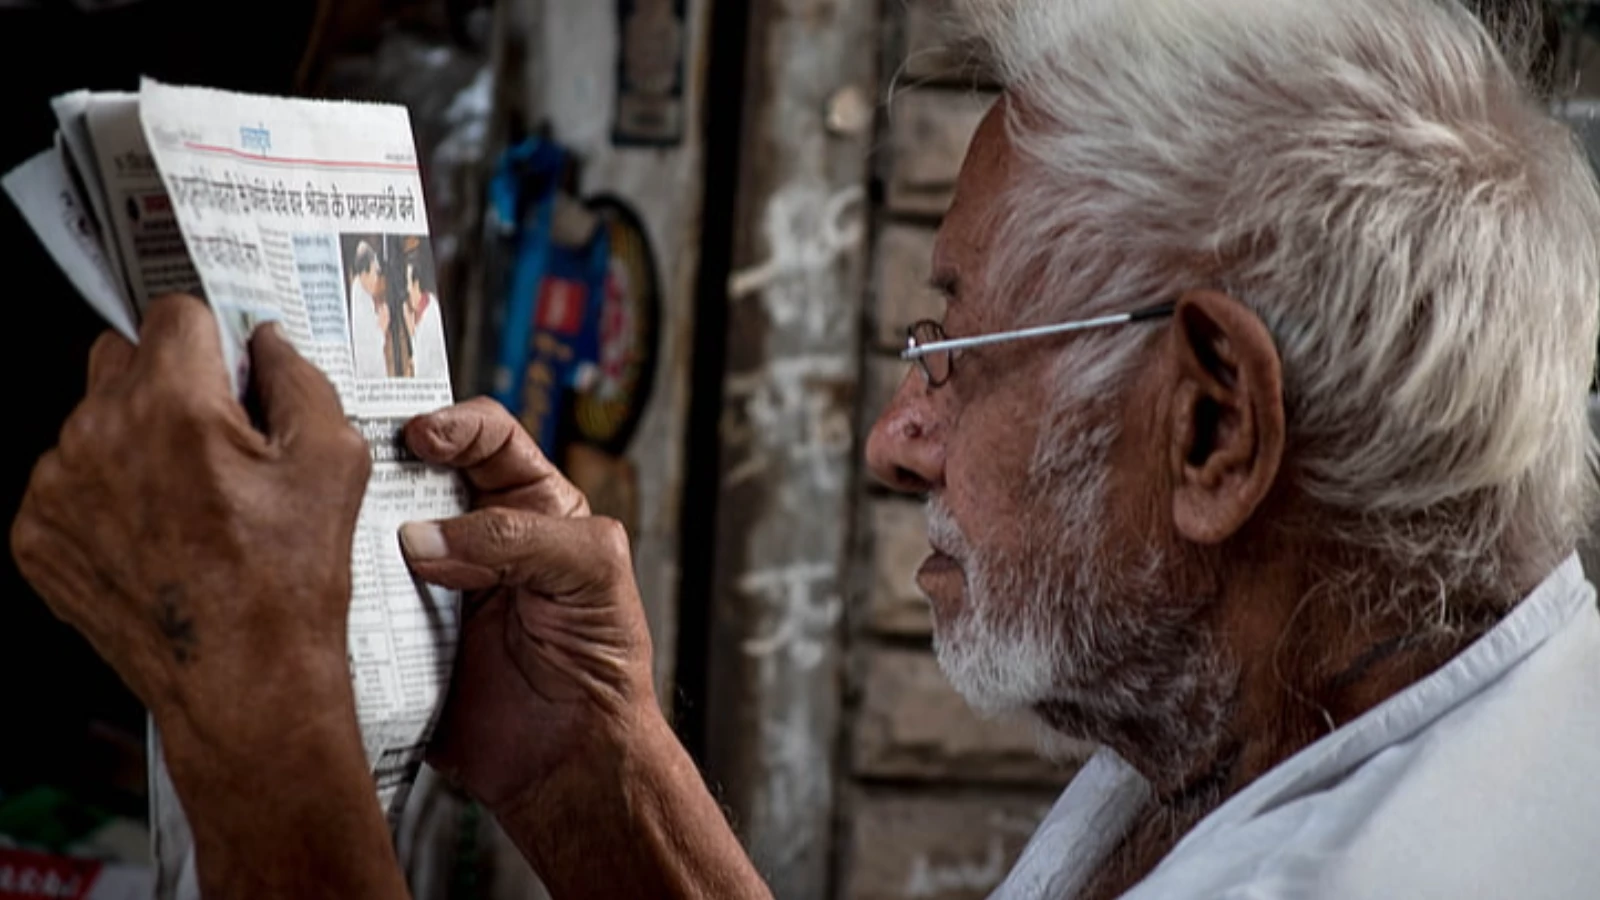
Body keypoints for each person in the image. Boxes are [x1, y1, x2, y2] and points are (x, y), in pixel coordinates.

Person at [13, 1, 1600, 899]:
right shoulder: (1312, 723)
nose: (899, 436)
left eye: (952, 349)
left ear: (1211, 424)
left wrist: (261, 719)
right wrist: (590, 764)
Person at [348, 240, 391, 379]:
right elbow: (369, 358)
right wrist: (382, 327)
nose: (377, 279)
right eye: (375, 272)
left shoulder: (362, 292)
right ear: (364, 273)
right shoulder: (360, 302)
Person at [404, 254, 447, 380]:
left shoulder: (430, 317)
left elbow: (422, 372)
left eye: (408, 282)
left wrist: (411, 333)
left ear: (416, 284)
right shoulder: (425, 306)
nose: (407, 289)